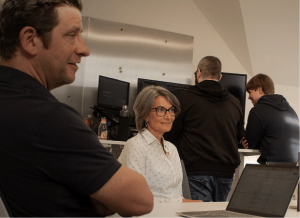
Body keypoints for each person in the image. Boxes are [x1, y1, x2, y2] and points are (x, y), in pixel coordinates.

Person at [0, 1, 153, 218]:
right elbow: (140, 200)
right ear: (30, 40)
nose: (84, 49)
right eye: (72, 35)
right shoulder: (49, 119)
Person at [164, 56, 244, 202]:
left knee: (198, 214)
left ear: (199, 73)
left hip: (196, 170)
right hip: (226, 173)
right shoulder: (235, 102)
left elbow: (171, 133)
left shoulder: (185, 98)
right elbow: (239, 135)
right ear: (220, 76)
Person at [118, 86, 203, 203]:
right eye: (161, 110)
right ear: (145, 115)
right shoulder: (135, 145)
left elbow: (176, 197)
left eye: (171, 110)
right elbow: (134, 197)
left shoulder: (171, 149)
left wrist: (198, 205)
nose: (169, 117)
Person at [242, 74, 300, 164]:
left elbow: (249, 144)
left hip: (272, 168)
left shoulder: (258, 110)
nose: (249, 97)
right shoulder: (291, 110)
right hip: (294, 169)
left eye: (250, 92)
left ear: (260, 89)